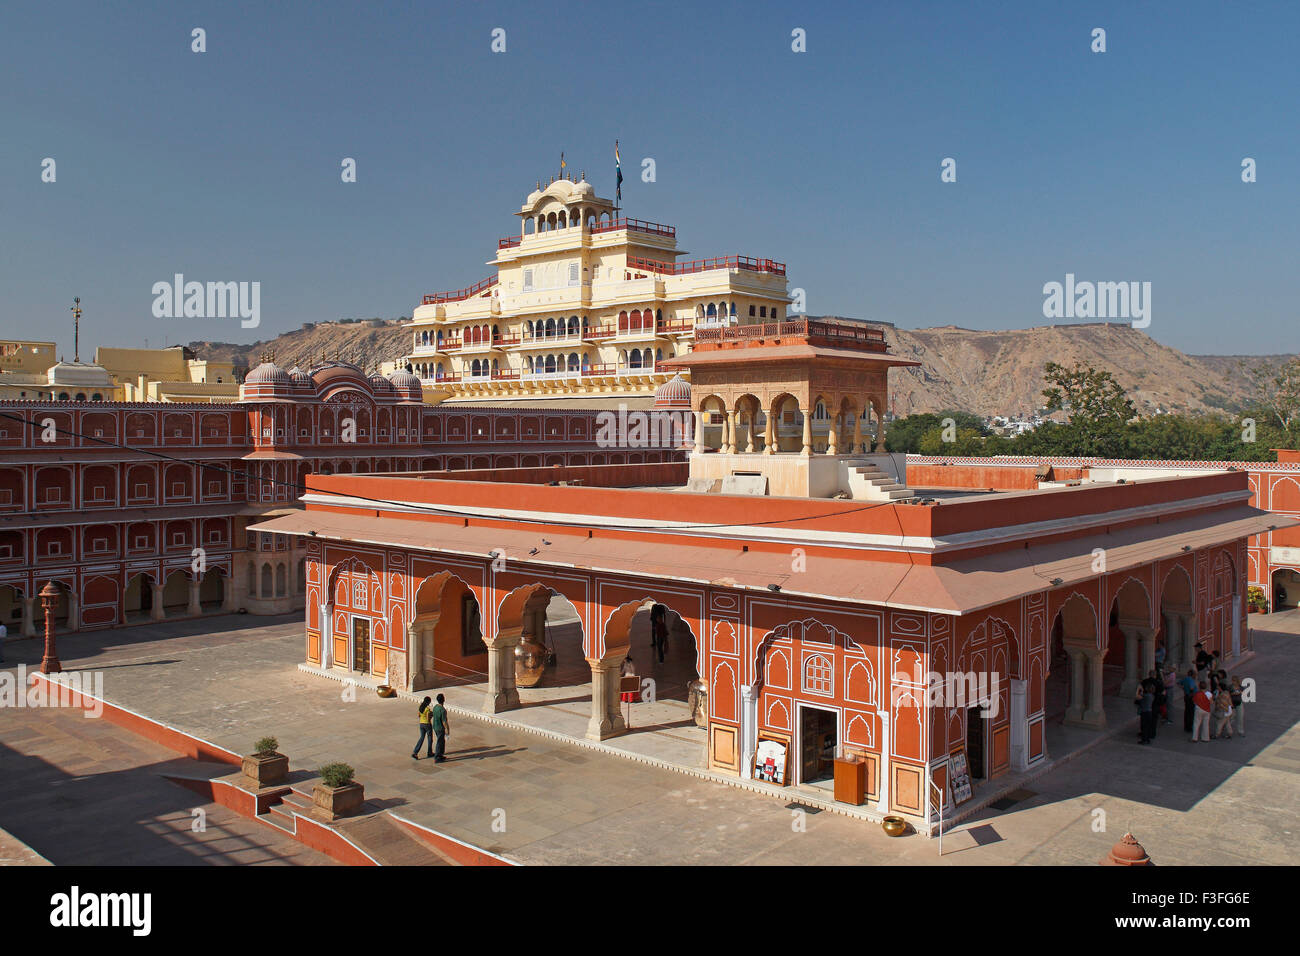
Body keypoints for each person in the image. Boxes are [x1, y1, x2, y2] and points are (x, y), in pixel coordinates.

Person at [431, 693, 450, 763]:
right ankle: (437, 756)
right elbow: (444, 721)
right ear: (443, 700)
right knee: (440, 742)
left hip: (435, 726)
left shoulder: (435, 707)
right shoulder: (442, 710)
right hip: (440, 728)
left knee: (442, 741)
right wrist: (447, 730)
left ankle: (440, 754)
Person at [1179, 668, 1198, 733]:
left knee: (1187, 711)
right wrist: (1192, 694)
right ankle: (1190, 727)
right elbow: (1191, 688)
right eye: (1195, 674)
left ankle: (1186, 726)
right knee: (1191, 712)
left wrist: (1183, 688)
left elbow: (1179, 683)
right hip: (1191, 697)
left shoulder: (1185, 679)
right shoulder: (1191, 680)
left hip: (1186, 696)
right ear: (1192, 675)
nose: (1196, 676)